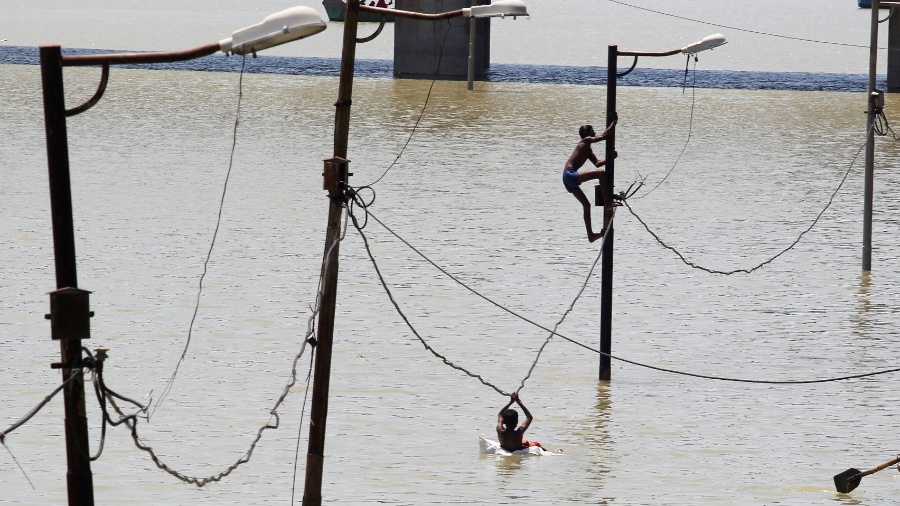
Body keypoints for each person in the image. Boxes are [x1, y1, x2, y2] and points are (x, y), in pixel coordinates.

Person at [562, 116, 619, 243]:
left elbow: (598, 163)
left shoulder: (587, 149)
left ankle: (591, 236)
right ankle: (608, 202)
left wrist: (610, 158)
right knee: (602, 174)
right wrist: (613, 123)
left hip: (566, 177)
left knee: (586, 205)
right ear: (587, 133)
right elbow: (604, 136)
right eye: (593, 130)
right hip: (570, 174)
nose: (595, 132)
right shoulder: (586, 141)